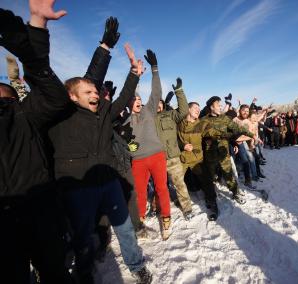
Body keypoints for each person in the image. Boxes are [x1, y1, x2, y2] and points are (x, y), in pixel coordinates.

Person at [49, 28, 152, 282]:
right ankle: (84, 273)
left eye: (96, 91)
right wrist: (104, 49)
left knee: (125, 229)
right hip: (77, 187)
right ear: (72, 97)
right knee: (83, 235)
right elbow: (92, 75)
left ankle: (136, 264)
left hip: (108, 183)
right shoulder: (62, 115)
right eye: (88, 92)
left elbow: (125, 98)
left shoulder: (105, 111)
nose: (96, 93)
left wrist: (134, 74)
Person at [0, 3, 72, 283]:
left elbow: (54, 96)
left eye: (4, 102)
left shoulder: (23, 115)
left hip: (40, 214)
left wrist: (33, 33)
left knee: (55, 272)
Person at [129, 50, 172, 240]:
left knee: (162, 187)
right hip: (138, 160)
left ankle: (166, 219)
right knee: (139, 191)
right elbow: (122, 141)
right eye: (134, 99)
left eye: (139, 99)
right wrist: (131, 148)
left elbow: (157, 92)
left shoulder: (149, 111)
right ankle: (139, 221)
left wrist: (155, 70)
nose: (138, 101)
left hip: (156, 155)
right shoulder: (124, 119)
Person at [202, 96, 254, 204]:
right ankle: (211, 195)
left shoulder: (224, 118)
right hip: (210, 154)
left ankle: (235, 192)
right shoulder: (204, 120)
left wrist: (250, 134)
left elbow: (237, 128)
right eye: (218, 105)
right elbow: (199, 135)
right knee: (210, 176)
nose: (220, 107)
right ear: (211, 107)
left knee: (228, 174)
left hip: (223, 153)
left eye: (221, 105)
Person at [155, 78, 194, 220]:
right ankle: (158, 207)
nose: (157, 105)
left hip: (172, 157)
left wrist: (179, 92)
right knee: (159, 187)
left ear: (163, 104)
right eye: (155, 103)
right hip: (155, 158)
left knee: (179, 183)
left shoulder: (170, 115)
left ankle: (187, 208)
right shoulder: (148, 118)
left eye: (160, 103)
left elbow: (184, 110)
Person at [178, 102, 221, 220]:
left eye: (199, 108)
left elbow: (211, 132)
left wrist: (215, 137)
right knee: (178, 182)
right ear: (188, 110)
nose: (198, 110)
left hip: (197, 158)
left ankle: (213, 205)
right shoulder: (179, 124)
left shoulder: (201, 124)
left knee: (207, 181)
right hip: (182, 158)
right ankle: (186, 208)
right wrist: (182, 145)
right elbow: (174, 139)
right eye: (195, 108)